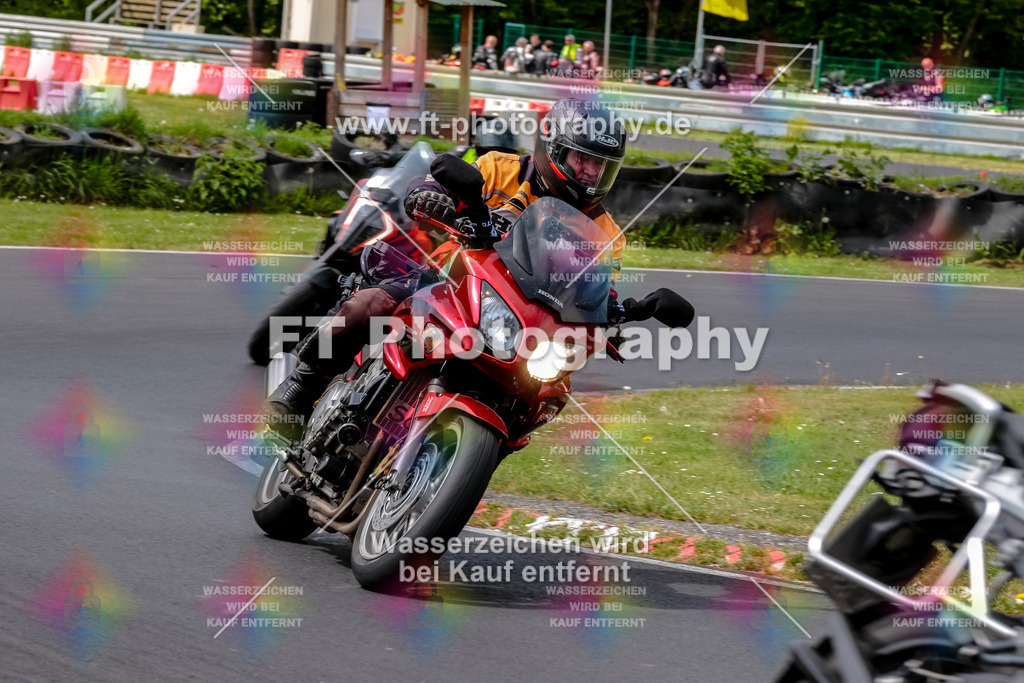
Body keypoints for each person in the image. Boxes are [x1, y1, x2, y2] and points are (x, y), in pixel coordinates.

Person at [263, 99, 643, 434]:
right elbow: (433, 184)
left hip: (525, 319)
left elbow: (600, 291)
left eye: (601, 165)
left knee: (541, 392)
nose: (591, 172)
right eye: (583, 159)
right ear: (553, 148)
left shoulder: (609, 234)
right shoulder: (499, 167)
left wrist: (615, 315)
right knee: (371, 307)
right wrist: (430, 196)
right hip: (448, 280)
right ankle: (302, 384)